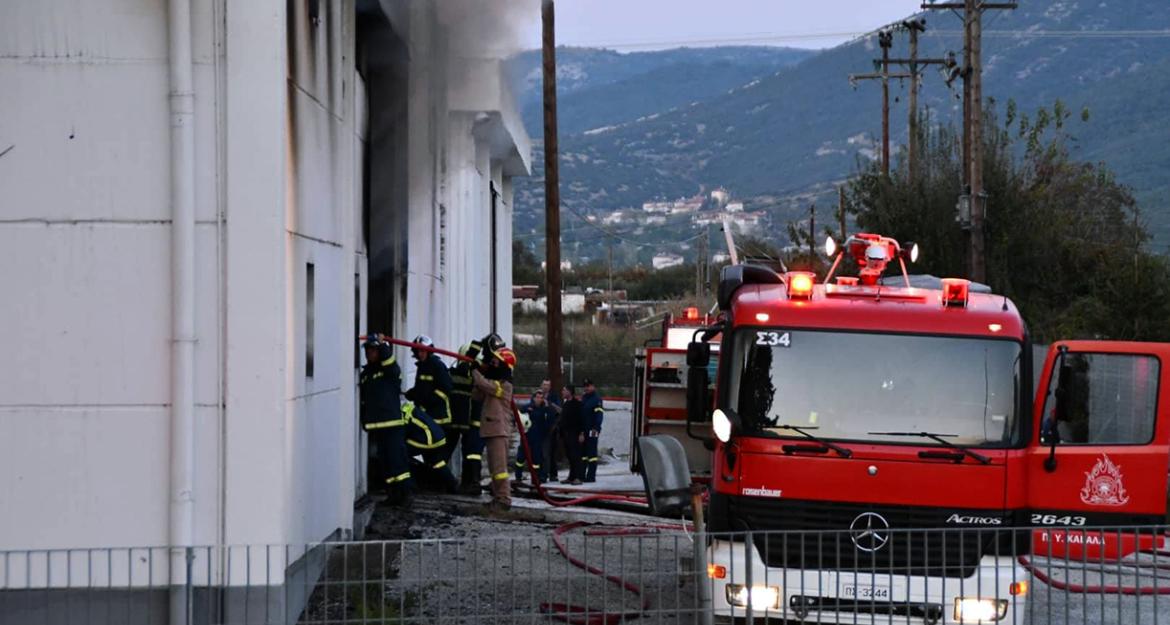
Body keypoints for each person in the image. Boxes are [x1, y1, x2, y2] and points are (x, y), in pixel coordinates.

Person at [359, 334, 414, 504]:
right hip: (377, 426)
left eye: (373, 350)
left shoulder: (389, 371)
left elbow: (390, 363)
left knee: (397, 460)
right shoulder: (366, 374)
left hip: (392, 425)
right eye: (367, 350)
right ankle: (393, 495)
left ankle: (405, 495)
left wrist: (383, 345)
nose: (369, 353)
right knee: (385, 463)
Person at [471, 342, 517, 512]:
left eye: (497, 361)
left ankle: (504, 499)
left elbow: (487, 386)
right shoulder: (494, 381)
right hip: (491, 429)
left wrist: (475, 371)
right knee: (493, 468)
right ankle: (497, 497)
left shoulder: (505, 385)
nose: (493, 363)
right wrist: (479, 374)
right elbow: (477, 395)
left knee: (500, 469)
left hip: (498, 430)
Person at [406, 335, 455, 459]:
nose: (420, 354)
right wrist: (413, 393)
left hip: (439, 418)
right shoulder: (421, 367)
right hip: (427, 417)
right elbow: (423, 388)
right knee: (428, 454)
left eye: (423, 351)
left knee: (436, 456)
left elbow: (446, 389)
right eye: (418, 351)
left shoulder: (437, 365)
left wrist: (427, 400)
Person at [448, 342, 486, 495]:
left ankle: (473, 483)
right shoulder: (466, 374)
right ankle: (467, 483)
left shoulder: (477, 375)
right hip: (468, 421)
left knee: (472, 453)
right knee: (469, 452)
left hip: (475, 421)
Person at [402, 401, 459, 493]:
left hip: (426, 438)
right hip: (438, 437)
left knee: (400, 453)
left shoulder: (399, 412)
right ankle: (452, 484)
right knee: (437, 461)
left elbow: (400, 434)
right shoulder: (407, 406)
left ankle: (410, 486)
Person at [515, 389, 554, 482]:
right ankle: (518, 477)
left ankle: (536, 478)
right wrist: (526, 410)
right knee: (520, 457)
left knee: (536, 460)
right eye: (537, 397)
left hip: (538, 439)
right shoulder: (527, 407)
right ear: (533, 398)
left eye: (541, 398)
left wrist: (547, 409)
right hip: (526, 437)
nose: (539, 399)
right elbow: (519, 415)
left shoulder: (545, 409)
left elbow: (549, 422)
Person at [559, 385, 585, 485]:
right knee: (570, 456)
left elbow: (581, 419)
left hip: (575, 434)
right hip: (566, 434)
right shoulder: (566, 404)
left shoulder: (577, 404)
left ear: (570, 392)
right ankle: (571, 476)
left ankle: (579, 477)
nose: (562, 392)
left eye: (564, 390)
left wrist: (581, 433)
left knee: (576, 456)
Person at [580, 378, 605, 482]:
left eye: (588, 386)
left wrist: (596, 428)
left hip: (593, 430)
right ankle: (581, 474)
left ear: (593, 386)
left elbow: (599, 415)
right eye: (585, 386)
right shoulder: (584, 398)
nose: (587, 388)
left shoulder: (597, 399)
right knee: (583, 454)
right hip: (584, 430)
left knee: (592, 453)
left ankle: (591, 476)